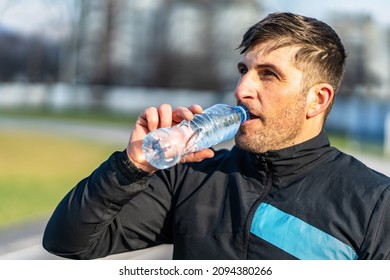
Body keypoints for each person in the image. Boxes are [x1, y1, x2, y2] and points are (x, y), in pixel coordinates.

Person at [43, 12, 390, 260]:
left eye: (268, 75)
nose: (242, 89)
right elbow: (68, 242)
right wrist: (132, 166)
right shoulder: (193, 175)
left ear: (317, 99)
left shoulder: (374, 202)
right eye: (244, 70)